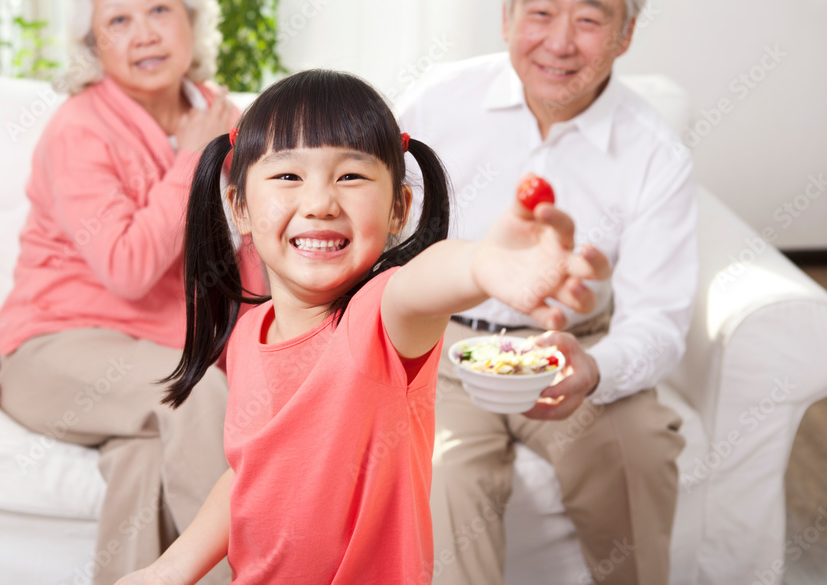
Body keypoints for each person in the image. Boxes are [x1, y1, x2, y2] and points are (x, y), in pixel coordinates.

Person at [114, 68, 611, 585]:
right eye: (288, 176)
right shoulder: (248, 334)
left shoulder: (380, 320)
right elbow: (250, 474)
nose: (321, 203)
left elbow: (426, 280)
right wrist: (169, 568)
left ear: (399, 208)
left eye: (351, 176)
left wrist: (484, 264)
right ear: (239, 205)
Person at [398, 0, 698, 583]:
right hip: (446, 352)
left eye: (591, 20)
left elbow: (659, 321)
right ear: (506, 17)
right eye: (540, 11)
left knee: (640, 450)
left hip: (573, 345)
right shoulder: (438, 102)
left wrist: (593, 368)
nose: (560, 42)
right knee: (441, 470)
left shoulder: (655, 152)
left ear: (626, 34)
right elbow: (385, 245)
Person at [0, 0, 263, 585]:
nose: (144, 34)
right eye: (118, 20)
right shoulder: (79, 128)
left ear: (192, 21)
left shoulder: (227, 117)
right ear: (94, 46)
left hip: (150, 357)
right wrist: (194, 156)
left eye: (160, 10)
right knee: (193, 394)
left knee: (144, 459)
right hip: (53, 351)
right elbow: (129, 268)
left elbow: (251, 262)